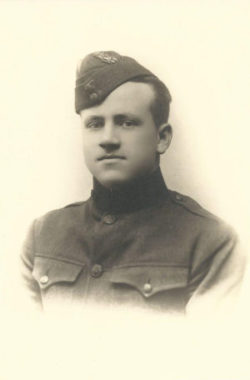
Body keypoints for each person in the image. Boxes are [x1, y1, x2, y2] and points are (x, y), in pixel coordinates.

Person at [20, 51, 245, 316]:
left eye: (126, 122)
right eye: (94, 124)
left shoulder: (212, 243)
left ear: (161, 138)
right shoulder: (42, 236)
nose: (108, 139)